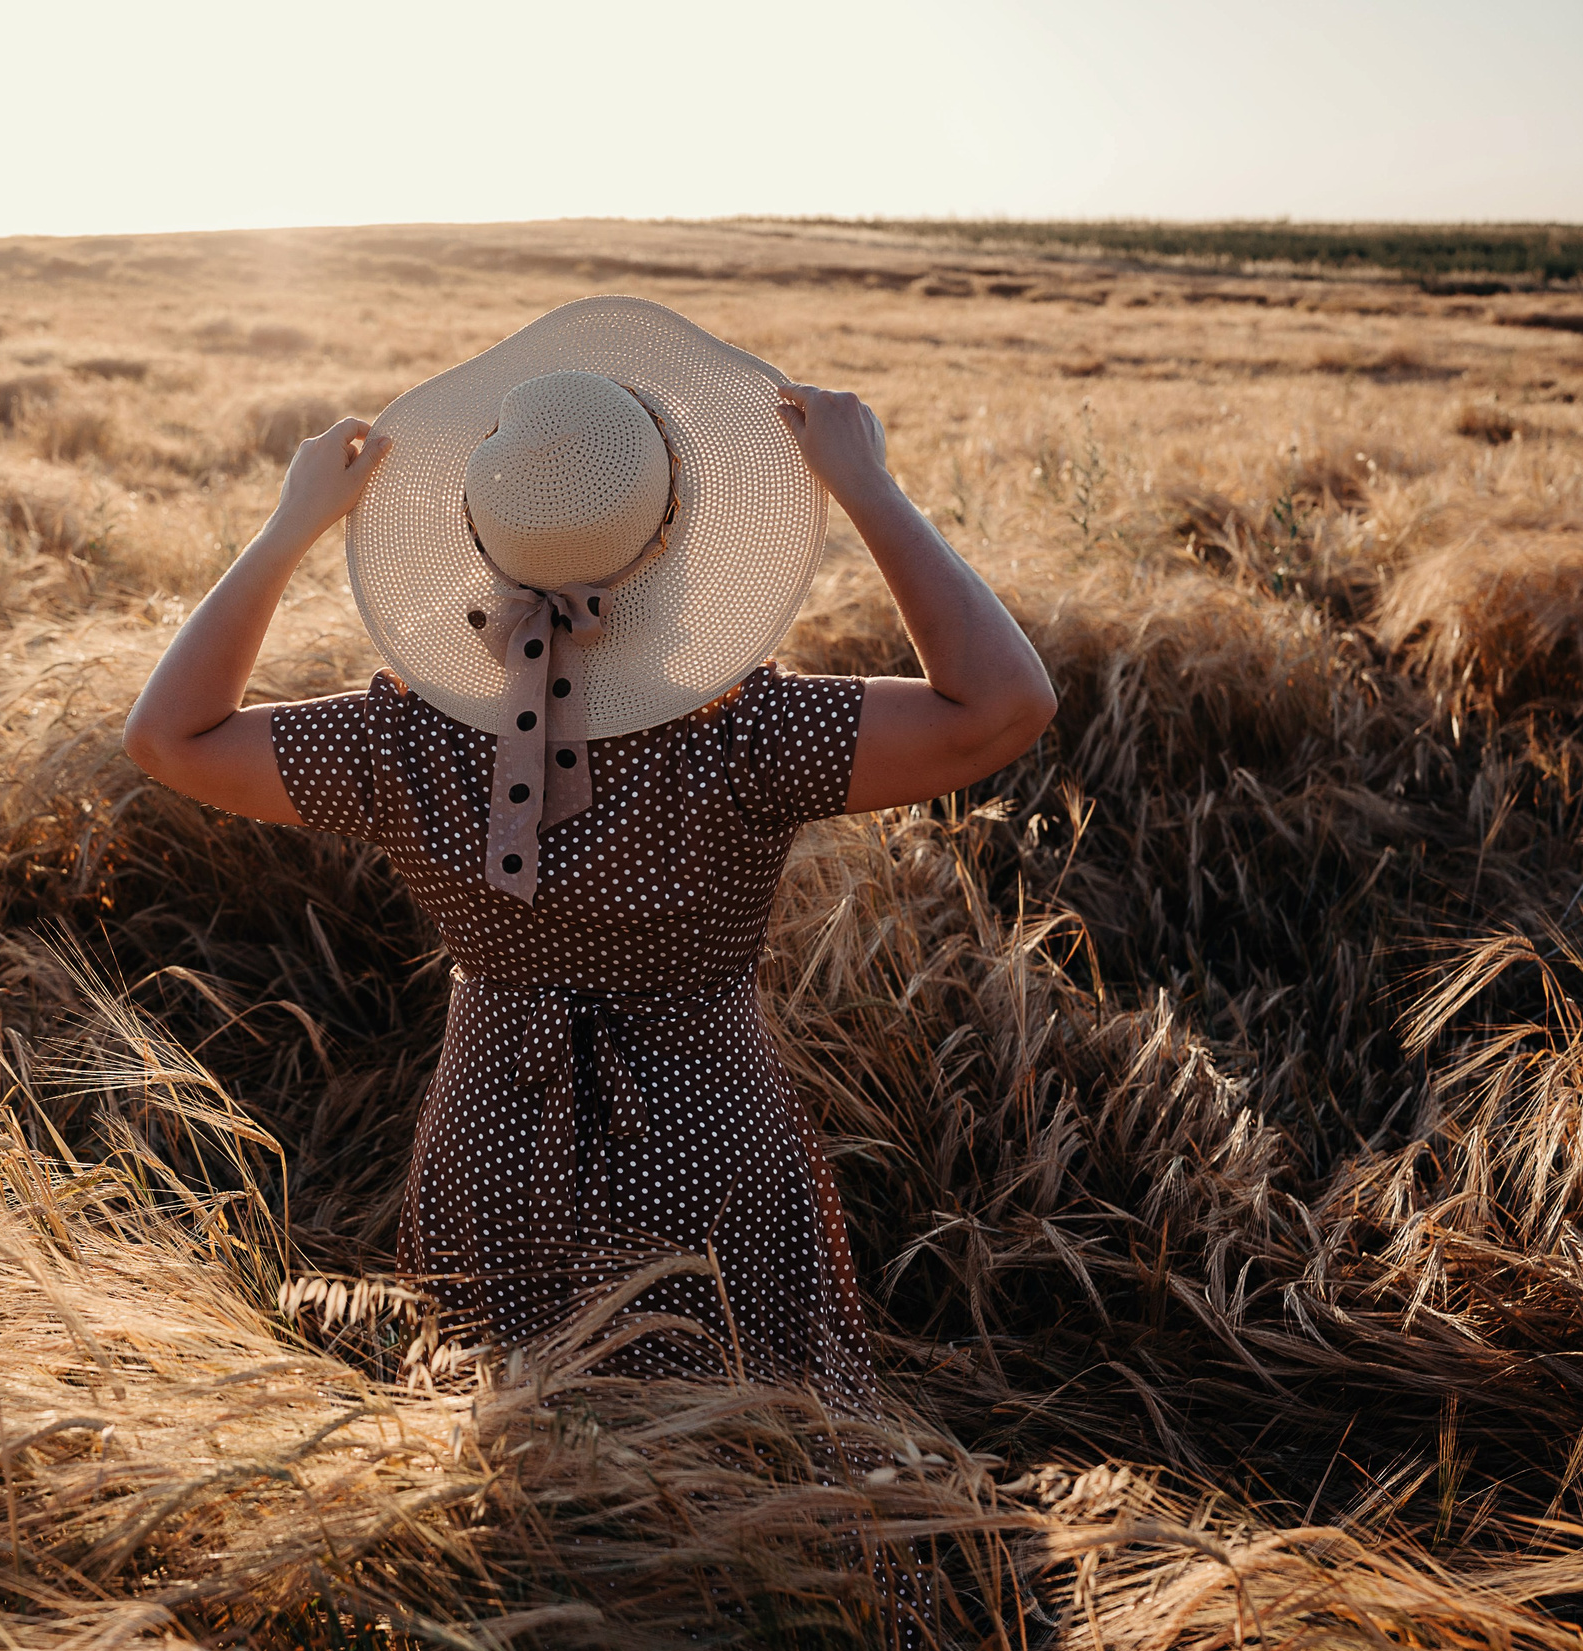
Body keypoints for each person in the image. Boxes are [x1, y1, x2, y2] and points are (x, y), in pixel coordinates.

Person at [125, 296, 1054, 1409]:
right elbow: (1000, 706)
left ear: (476, 530)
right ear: (680, 526)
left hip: (490, 1135)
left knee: (518, 1465)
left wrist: (287, 528)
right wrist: (869, 488)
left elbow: (166, 736)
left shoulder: (400, 740)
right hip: (706, 1135)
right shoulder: (747, 735)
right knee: (755, 1455)